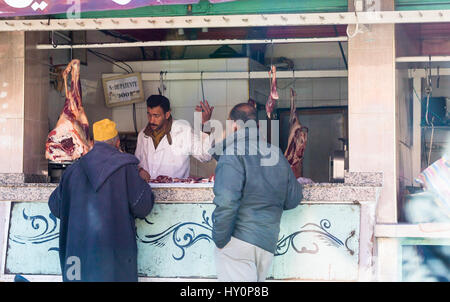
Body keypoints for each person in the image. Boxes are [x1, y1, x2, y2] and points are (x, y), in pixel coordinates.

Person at [48, 118, 154, 282]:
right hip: (113, 263)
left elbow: (55, 207)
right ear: (118, 143)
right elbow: (143, 206)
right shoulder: (126, 169)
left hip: (77, 263)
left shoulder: (72, 170)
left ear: (93, 143)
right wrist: (142, 179)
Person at [210, 103, 304, 282]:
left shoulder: (231, 153)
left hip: (237, 242)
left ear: (233, 125)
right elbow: (293, 198)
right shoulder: (275, 154)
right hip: (266, 244)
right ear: (258, 126)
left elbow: (227, 200)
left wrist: (220, 239)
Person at [135, 95, 214, 182]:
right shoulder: (143, 134)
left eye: (156, 116)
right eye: (149, 115)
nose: (151, 120)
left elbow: (206, 156)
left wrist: (206, 124)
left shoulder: (183, 130)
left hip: (176, 192)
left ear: (167, 114)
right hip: (147, 190)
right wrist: (140, 170)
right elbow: (136, 162)